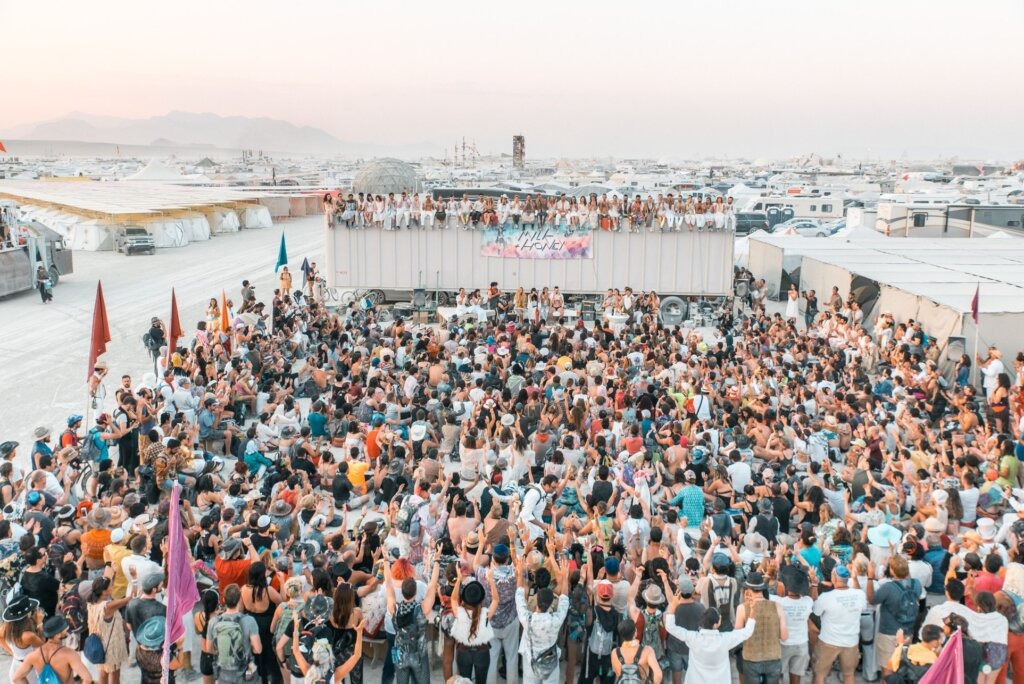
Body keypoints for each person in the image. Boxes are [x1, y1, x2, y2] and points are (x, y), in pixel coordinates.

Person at [812, 565, 867, 684]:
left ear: (834, 578)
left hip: (828, 642)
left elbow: (816, 611)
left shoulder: (826, 597)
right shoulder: (860, 594)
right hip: (851, 642)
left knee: (820, 674)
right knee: (849, 675)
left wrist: (814, 585)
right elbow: (863, 607)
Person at [12, 615, 93, 684]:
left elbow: (16, 678)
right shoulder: (69, 654)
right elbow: (87, 678)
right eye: (65, 628)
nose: (67, 629)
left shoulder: (33, 655)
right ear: (57, 634)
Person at [208, 584, 261, 683]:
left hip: (223, 674)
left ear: (223, 599)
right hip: (245, 672)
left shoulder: (214, 622)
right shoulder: (249, 620)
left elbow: (209, 649)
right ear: (240, 599)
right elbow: (258, 649)